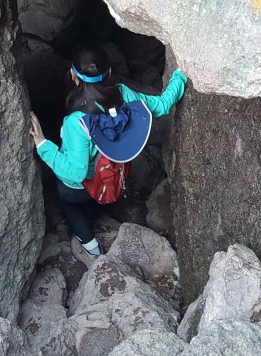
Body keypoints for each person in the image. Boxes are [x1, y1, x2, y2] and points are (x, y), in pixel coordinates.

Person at [29, 47, 188, 265]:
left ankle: (92, 249)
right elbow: (162, 105)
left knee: (65, 200)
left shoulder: (77, 122)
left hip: (80, 188)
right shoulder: (124, 94)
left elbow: (76, 172)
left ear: (73, 75)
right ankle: (99, 206)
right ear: (110, 72)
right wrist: (181, 74)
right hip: (114, 178)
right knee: (92, 195)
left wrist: (42, 144)